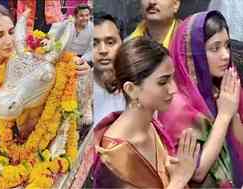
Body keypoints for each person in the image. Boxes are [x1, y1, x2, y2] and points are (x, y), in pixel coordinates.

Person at [0, 2, 89, 137]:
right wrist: (10, 92)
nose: (8, 41)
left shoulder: (21, 49)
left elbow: (48, 56)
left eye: (11, 32)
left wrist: (76, 63)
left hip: (12, 109)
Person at [93, 37, 200, 188]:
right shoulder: (114, 156)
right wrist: (178, 180)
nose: (173, 89)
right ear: (131, 89)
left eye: (172, 78)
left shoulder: (151, 126)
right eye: (163, 82)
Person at [158, 10, 243, 188]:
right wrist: (224, 115)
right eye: (215, 48)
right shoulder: (175, 105)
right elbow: (196, 171)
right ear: (192, 54)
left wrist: (232, 112)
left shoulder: (223, 89)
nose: (226, 55)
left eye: (227, 45)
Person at [93, 13, 125, 125]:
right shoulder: (78, 88)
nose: (103, 50)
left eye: (110, 42)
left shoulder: (139, 84)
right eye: (94, 44)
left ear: (122, 44)